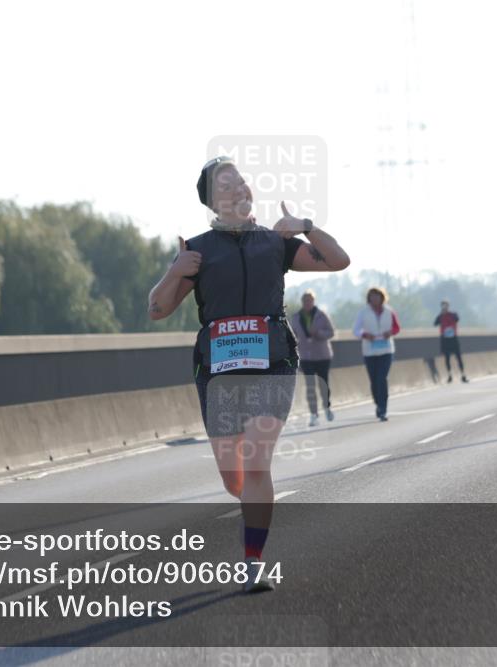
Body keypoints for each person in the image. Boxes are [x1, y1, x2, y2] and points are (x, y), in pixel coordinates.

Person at [147, 156, 349, 592]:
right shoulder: (198, 250)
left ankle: (252, 560)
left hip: (273, 362)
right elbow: (157, 309)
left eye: (241, 181)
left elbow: (338, 260)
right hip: (218, 372)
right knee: (233, 476)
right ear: (212, 200)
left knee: (257, 461)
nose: (238, 188)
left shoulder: (276, 242)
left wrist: (305, 225)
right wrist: (174, 271)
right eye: (226, 185)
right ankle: (254, 507)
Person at [353, 287, 401, 421]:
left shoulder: (389, 311)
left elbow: (397, 327)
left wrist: (390, 333)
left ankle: (383, 408)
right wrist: (365, 335)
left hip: (386, 350)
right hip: (370, 351)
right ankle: (378, 403)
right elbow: (356, 330)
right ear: (369, 299)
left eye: (377, 296)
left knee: (382, 378)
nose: (375, 299)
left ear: (382, 297)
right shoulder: (363, 312)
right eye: (372, 297)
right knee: (374, 381)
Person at [290, 290, 336, 427]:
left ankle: (327, 407)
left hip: (322, 355)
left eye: (310, 300)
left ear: (313, 301)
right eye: (305, 301)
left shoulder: (322, 315)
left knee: (323, 384)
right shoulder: (296, 317)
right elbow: (292, 334)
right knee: (310, 386)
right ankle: (313, 414)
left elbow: (331, 332)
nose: (307, 303)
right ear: (302, 302)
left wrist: (319, 333)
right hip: (305, 356)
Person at [433, 300, 468, 383]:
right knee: (447, 358)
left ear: (448, 306)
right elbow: (435, 323)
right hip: (445, 339)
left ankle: (463, 375)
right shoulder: (440, 316)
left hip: (453, 338)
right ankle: (449, 375)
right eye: (443, 306)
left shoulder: (453, 314)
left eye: (445, 306)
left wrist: (448, 315)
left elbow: (457, 319)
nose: (444, 307)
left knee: (458, 357)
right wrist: (441, 314)